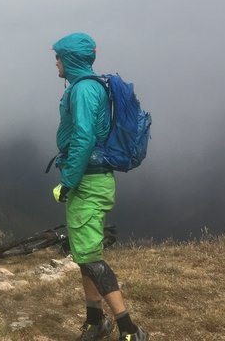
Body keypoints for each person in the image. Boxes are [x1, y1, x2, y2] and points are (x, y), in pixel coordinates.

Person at [51, 33, 148, 341]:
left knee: (92, 259)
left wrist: (67, 183)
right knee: (84, 253)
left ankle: (129, 329)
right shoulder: (91, 87)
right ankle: (95, 322)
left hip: (88, 182)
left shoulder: (82, 91)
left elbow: (82, 138)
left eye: (58, 57)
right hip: (92, 179)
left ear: (70, 59)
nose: (55, 62)